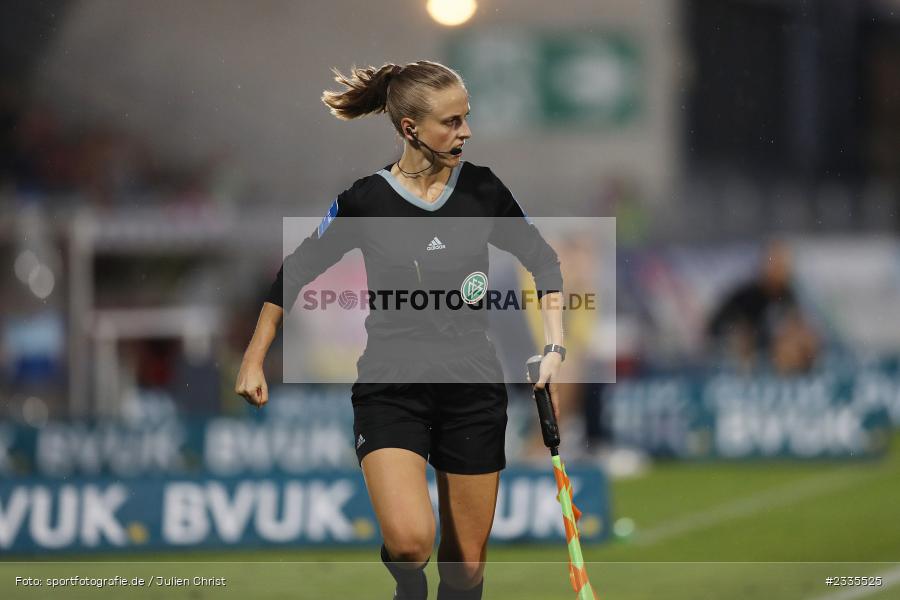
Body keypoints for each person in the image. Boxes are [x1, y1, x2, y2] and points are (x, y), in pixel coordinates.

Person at [235, 60, 566, 600]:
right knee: (411, 543)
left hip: (472, 389)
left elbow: (544, 261)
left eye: (466, 118)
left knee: (465, 570)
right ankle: (407, 586)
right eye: (451, 122)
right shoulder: (366, 200)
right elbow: (294, 272)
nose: (466, 131)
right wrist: (254, 358)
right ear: (411, 128)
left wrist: (554, 345)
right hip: (391, 389)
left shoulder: (483, 190)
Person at [707, 239, 818, 374]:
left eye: (782, 266)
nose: (779, 270)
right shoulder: (746, 298)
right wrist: (737, 338)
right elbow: (714, 330)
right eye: (775, 265)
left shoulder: (790, 297)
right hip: (739, 361)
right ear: (765, 267)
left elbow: (799, 332)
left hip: (768, 359)